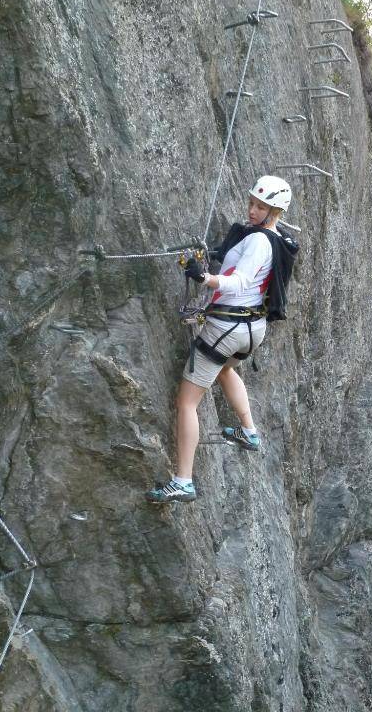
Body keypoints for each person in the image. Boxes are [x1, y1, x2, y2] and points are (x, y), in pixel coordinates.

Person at [146, 176, 299, 503]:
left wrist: (204, 277)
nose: (253, 210)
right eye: (252, 203)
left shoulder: (259, 241)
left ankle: (183, 480)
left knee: (187, 402)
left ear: (275, 211)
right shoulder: (273, 239)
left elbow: (240, 280)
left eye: (261, 206)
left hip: (226, 328)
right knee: (226, 370)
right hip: (250, 329)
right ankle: (248, 430)